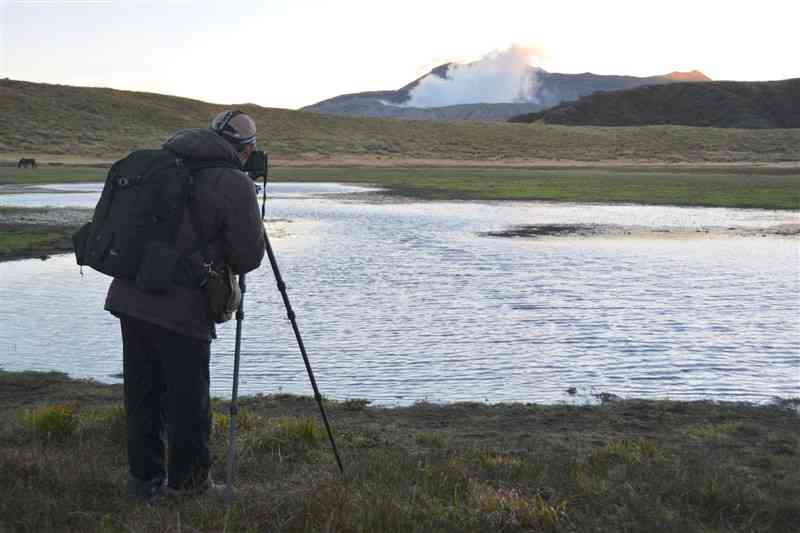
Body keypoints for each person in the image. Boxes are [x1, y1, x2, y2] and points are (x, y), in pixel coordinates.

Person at [105, 111, 266, 500]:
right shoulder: (233, 182)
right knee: (188, 400)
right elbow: (248, 257)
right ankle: (191, 486)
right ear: (245, 151)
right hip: (182, 306)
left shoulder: (161, 162)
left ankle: (144, 483)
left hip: (130, 296)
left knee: (143, 394)